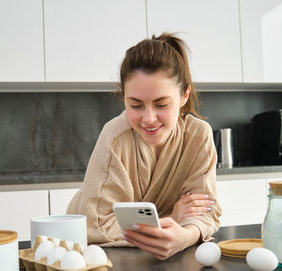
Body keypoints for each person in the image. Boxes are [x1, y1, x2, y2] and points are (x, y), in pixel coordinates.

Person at [66, 33, 221, 260]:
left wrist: (185, 235)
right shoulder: (115, 137)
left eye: (161, 104)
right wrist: (172, 220)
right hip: (93, 254)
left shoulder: (199, 137)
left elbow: (206, 213)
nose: (148, 118)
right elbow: (96, 226)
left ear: (184, 95)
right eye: (136, 105)